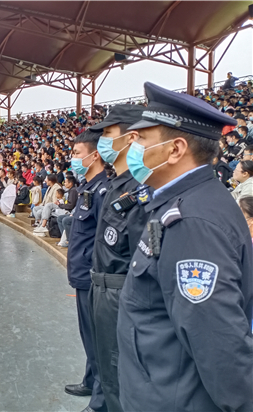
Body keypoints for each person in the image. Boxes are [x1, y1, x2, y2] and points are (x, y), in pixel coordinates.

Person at [117, 82, 253, 412]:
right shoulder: (185, 202)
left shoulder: (192, 222)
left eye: (142, 139)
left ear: (175, 149)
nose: (133, 146)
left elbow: (219, 344)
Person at [85, 104, 149, 412]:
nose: (102, 141)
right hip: (102, 287)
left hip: (120, 292)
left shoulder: (139, 189)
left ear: (130, 138)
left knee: (118, 373)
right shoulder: (116, 184)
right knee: (106, 368)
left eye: (108, 133)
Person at [64, 129, 109, 412]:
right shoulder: (88, 188)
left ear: (95, 156)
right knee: (88, 336)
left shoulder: (103, 190)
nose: (72, 158)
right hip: (82, 276)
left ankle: (101, 401)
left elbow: (105, 239)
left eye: (77, 153)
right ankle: (90, 381)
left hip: (92, 277)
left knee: (98, 340)